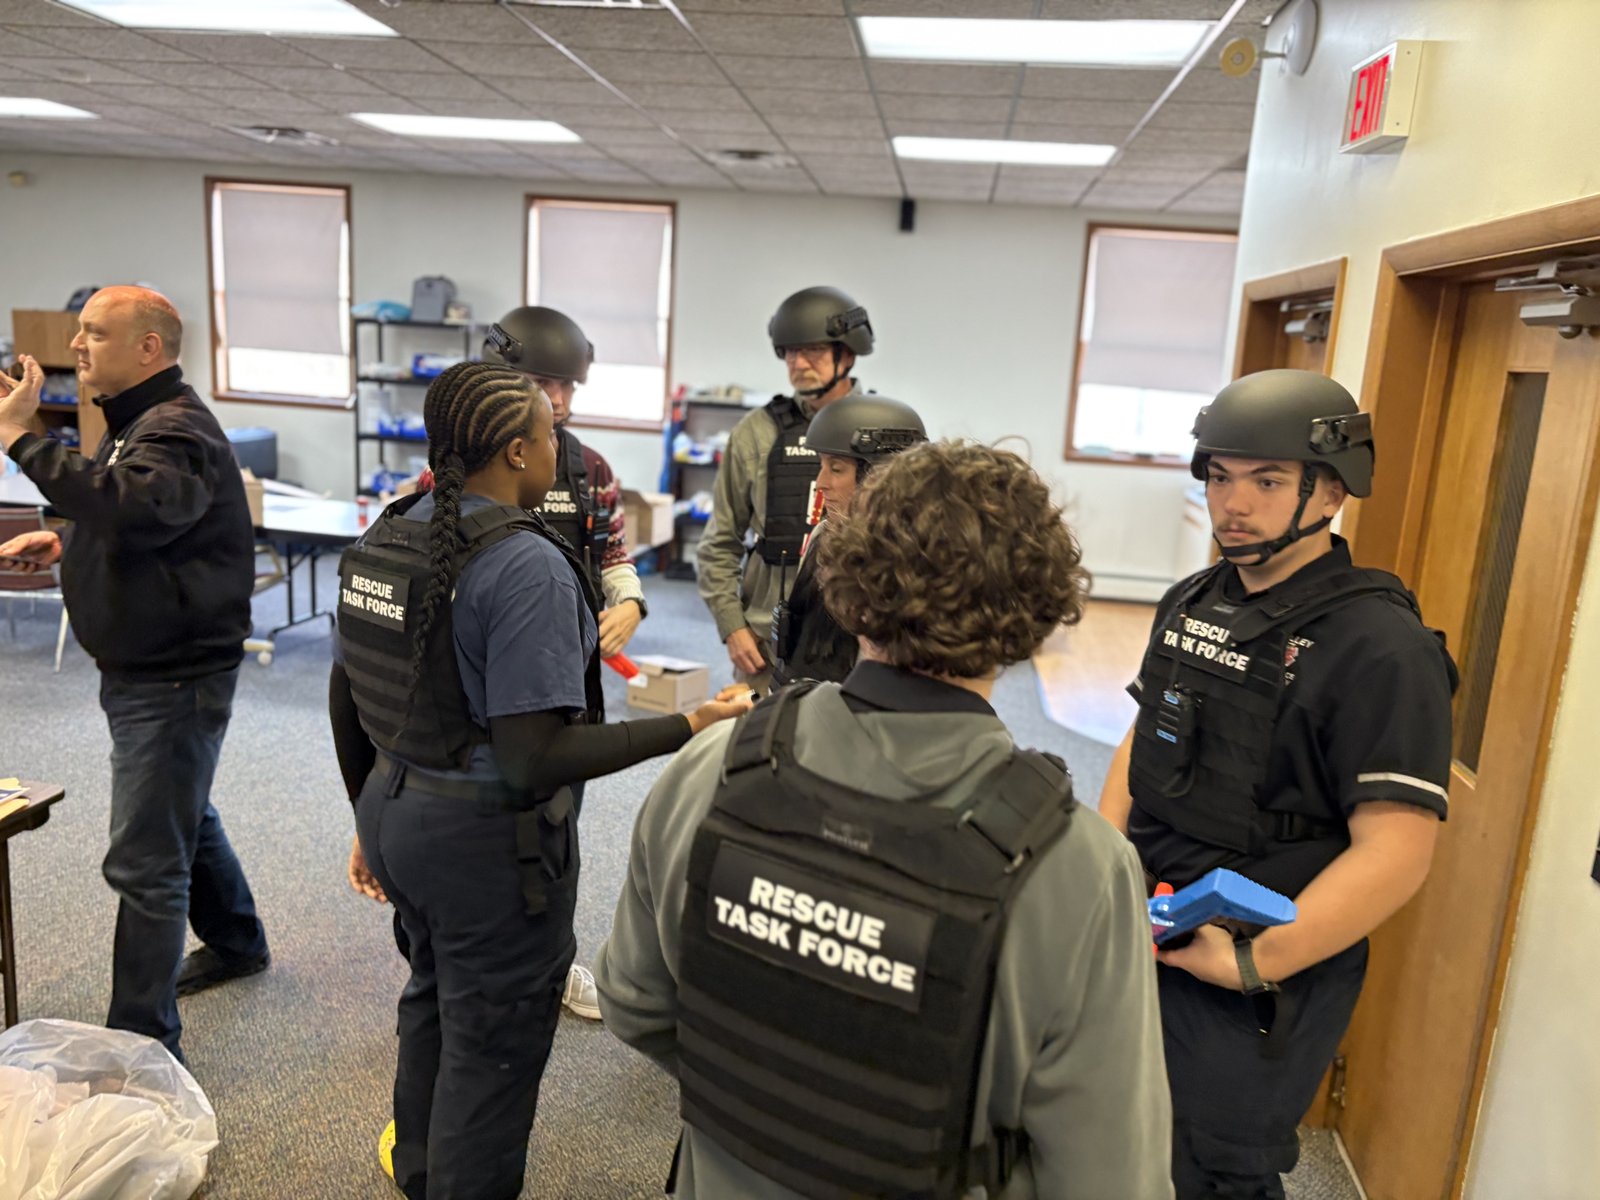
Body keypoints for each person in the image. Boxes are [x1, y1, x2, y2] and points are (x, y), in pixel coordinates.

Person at [597, 440, 1174, 1200]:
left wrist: (766, 1097)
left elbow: (634, 1001)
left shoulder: (714, 767)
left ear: (847, 584)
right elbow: (1110, 1178)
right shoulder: (1078, 867)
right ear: (1031, 618)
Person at [329, 362, 749, 1200]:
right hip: (485, 850)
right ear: (519, 451)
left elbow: (349, 695)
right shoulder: (526, 566)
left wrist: (373, 821)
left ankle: (417, 1174)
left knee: (434, 999)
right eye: (551, 432)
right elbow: (534, 759)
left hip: (395, 811)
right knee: (493, 1050)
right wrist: (687, 726)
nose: (563, 442)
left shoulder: (391, 530)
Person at [1097, 369, 1456, 1200]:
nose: (1234, 504)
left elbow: (1397, 852)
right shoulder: (1192, 600)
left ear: (1330, 492)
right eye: (1220, 477)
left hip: (1259, 969)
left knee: (1209, 1168)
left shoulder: (1381, 648)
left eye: (1266, 480)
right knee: (1114, 1134)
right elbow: (1141, 738)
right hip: (1149, 924)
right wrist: (1102, 859)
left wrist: (1253, 961)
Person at [0, 286, 269, 1063]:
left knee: (145, 863)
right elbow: (133, 520)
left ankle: (142, 1049)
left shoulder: (177, 429)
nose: (78, 345)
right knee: (183, 808)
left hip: (174, 675)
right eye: (79, 333)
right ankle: (239, 940)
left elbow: (137, 508)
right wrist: (68, 546)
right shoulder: (136, 424)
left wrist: (22, 440)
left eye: (95, 332)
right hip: (150, 667)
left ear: (149, 348)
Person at [480, 303, 645, 1021]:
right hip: (482, 685)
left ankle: (552, 965)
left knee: (556, 834)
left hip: (567, 688)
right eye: (547, 385)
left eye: (569, 388)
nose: (561, 402)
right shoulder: (459, 464)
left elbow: (612, 552)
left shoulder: (588, 467)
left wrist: (630, 603)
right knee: (483, 831)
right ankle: (480, 964)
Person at [697, 286, 874, 695]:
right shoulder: (756, 433)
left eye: (812, 351)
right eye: (790, 352)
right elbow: (718, 541)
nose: (798, 363)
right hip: (768, 646)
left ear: (846, 355)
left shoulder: (887, 432)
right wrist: (732, 626)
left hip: (862, 651)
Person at [770, 393, 926, 687]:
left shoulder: (905, 564)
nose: (821, 482)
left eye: (836, 468)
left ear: (879, 475)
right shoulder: (823, 533)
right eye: (822, 465)